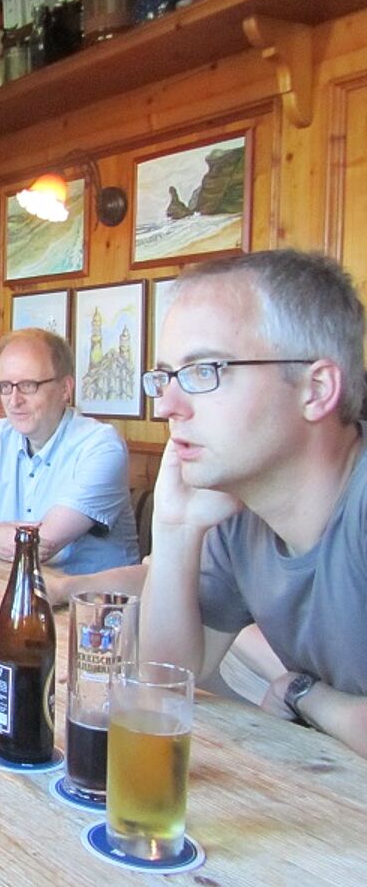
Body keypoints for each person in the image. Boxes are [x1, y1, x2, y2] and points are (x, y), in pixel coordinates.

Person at [138, 249, 367, 758]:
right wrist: (174, 529)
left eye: (205, 371)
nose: (167, 406)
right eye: (166, 376)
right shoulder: (241, 510)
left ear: (316, 389)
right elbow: (166, 683)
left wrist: (307, 696)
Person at [0, 327, 139, 575]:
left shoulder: (101, 446)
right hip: (3, 588)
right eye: (5, 386)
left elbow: (39, 546)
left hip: (88, 596)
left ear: (65, 388)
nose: (14, 400)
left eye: (28, 385)